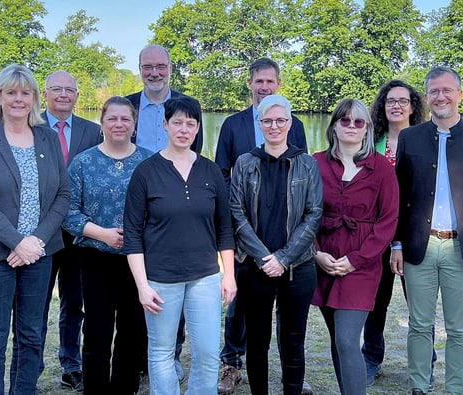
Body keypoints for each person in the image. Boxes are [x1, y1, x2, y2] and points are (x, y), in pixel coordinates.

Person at [391, 66, 463, 395]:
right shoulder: (410, 138)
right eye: (434, 91)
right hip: (418, 247)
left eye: (447, 90)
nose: (441, 96)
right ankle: (418, 388)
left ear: (459, 95)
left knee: (459, 329)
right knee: (419, 326)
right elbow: (400, 195)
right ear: (427, 98)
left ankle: (455, 390)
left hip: (460, 248)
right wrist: (396, 243)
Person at [0, 64, 71, 395]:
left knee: (31, 334)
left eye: (25, 93)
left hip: (39, 254)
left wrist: (35, 241)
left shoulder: (48, 139)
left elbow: (62, 195)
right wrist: (17, 242)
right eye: (11, 92)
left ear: (36, 99)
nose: (18, 99)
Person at [123, 96, 236, 394]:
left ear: (198, 128)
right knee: (161, 352)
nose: (183, 129)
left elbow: (224, 229)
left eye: (190, 123)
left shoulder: (211, 172)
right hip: (160, 279)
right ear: (165, 125)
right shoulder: (146, 172)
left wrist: (230, 276)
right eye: (177, 123)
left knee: (209, 352)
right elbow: (132, 234)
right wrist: (142, 285)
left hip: (205, 277)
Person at [213, 57, 310, 395]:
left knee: (289, 318)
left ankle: (290, 372)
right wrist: (243, 231)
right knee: (239, 309)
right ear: (250, 84)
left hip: (285, 243)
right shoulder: (232, 125)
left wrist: (285, 251)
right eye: (259, 82)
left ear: (278, 84)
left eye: (270, 81)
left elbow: (302, 177)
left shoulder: (294, 124)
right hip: (245, 239)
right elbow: (223, 175)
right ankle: (231, 363)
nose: (264, 87)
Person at [228, 94, 322, 395]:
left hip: (298, 267)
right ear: (260, 123)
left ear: (290, 123)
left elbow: (313, 214)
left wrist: (283, 257)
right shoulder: (245, 163)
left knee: (293, 341)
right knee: (256, 341)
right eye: (268, 120)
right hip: (254, 267)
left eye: (281, 120)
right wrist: (263, 257)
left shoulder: (306, 164)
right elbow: (236, 213)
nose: (274, 126)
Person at [64, 96, 154, 394]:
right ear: (102, 123)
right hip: (95, 258)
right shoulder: (84, 162)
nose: (119, 124)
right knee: (97, 333)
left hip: (137, 260)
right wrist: (102, 233)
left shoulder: (150, 161)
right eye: (112, 119)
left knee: (132, 332)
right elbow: (68, 211)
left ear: (134, 123)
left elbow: (159, 208)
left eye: (125, 119)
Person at [312, 98, 399, 395]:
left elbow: (388, 221)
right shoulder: (316, 162)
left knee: (348, 339)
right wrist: (316, 253)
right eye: (345, 120)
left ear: (367, 129)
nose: (351, 126)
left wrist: (356, 259)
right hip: (323, 259)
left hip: (361, 265)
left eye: (358, 122)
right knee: (338, 338)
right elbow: (302, 212)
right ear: (334, 125)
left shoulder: (381, 169)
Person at [362, 79, 428, 386]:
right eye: (390, 101)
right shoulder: (369, 140)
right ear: (382, 106)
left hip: (413, 233)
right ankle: (371, 356)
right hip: (376, 233)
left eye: (403, 100)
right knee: (376, 300)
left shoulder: (425, 141)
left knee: (418, 300)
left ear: (413, 106)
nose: (396, 106)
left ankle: (425, 360)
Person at [41, 70, 103, 392]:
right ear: (45, 93)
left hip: (79, 233)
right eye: (57, 89)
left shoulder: (93, 131)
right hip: (39, 231)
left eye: (70, 90)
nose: (64, 94)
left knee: (75, 302)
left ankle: (71, 363)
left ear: (78, 96)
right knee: (34, 302)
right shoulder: (30, 126)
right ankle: (30, 365)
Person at [126, 44, 203, 154]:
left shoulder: (190, 106)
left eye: (161, 66)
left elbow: (195, 150)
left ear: (170, 68)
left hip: (178, 171)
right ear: (140, 69)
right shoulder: (126, 106)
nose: (154, 73)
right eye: (147, 67)